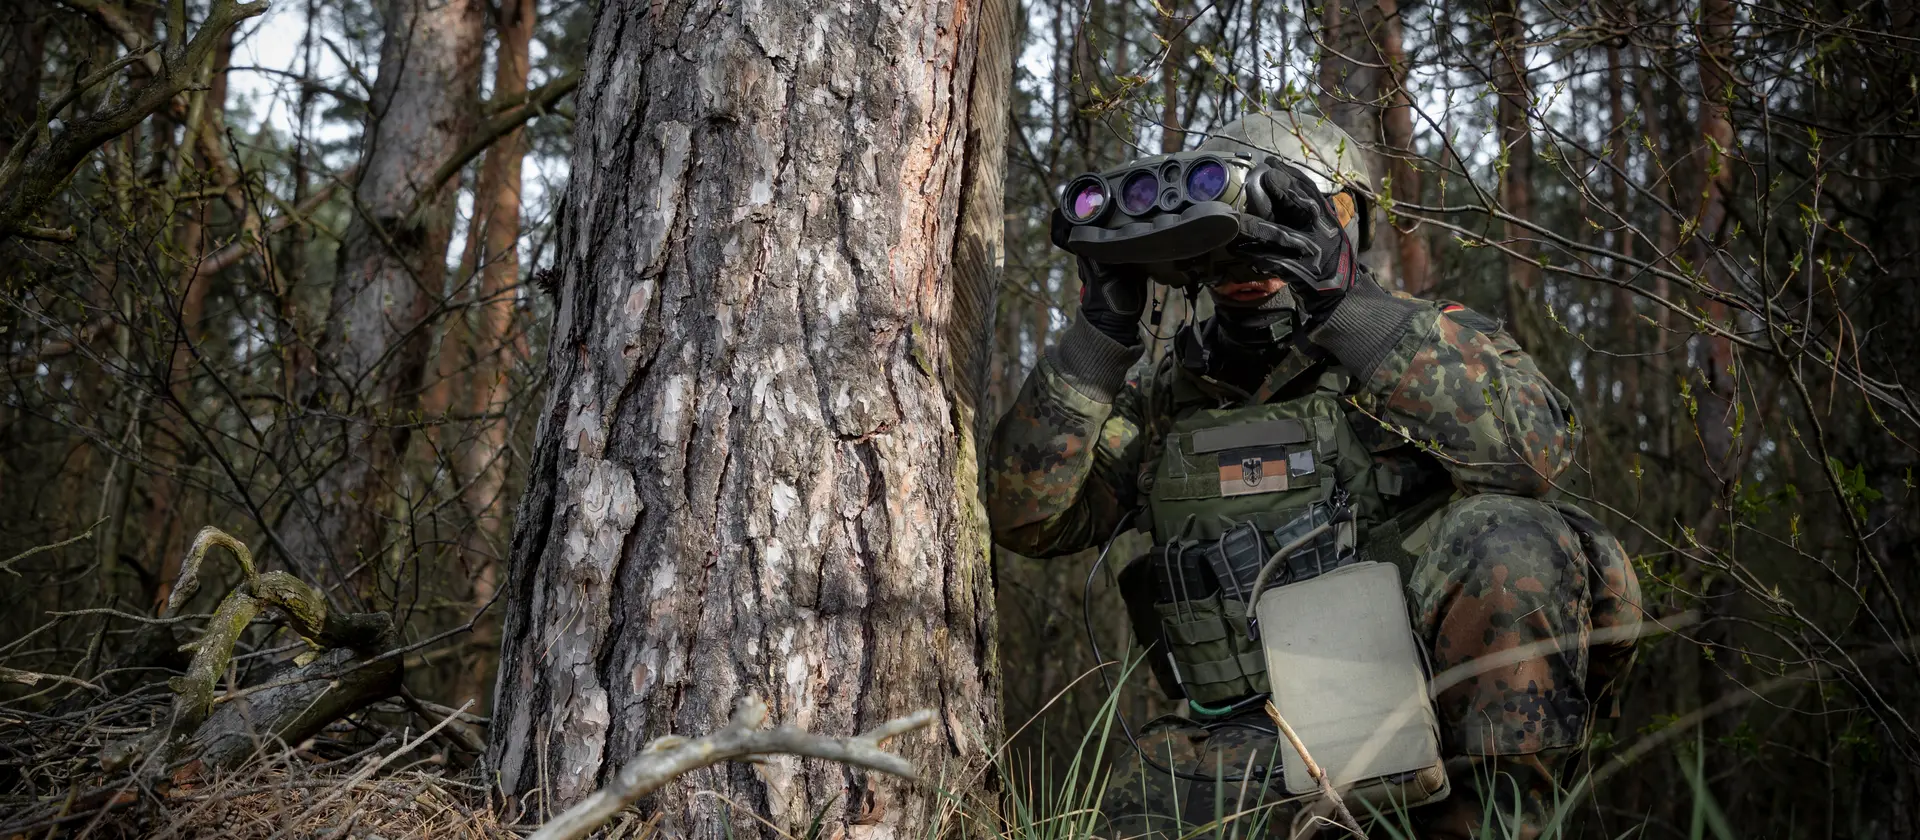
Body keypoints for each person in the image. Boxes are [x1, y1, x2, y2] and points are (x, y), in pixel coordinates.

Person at [985, 111, 1645, 839]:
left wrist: (1343, 303)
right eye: (1233, 234)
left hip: (1426, 729)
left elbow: (1534, 457)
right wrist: (1098, 337)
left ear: (1345, 224)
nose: (1251, 262)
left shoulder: (1416, 350)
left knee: (1515, 538)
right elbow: (1027, 519)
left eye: (1287, 218)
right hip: (1246, 740)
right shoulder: (1167, 399)